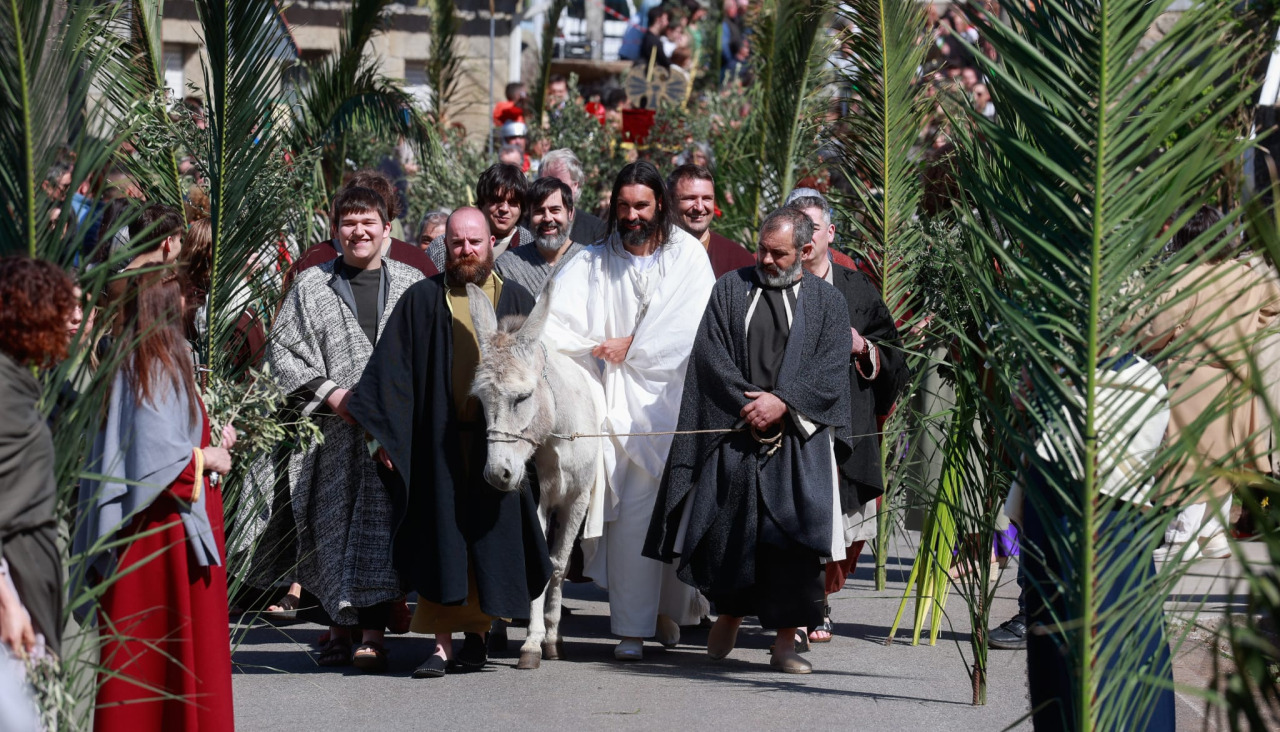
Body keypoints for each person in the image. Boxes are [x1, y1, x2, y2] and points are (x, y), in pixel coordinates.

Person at [645, 207, 854, 674]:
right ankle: (729, 615)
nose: (766, 259)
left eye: (778, 253)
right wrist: (751, 405)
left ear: (805, 251)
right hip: (737, 431)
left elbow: (829, 368)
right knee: (732, 531)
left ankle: (784, 643)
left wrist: (783, 403)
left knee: (794, 545)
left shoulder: (827, 303)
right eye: (761, 248)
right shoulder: (731, 288)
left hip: (800, 443)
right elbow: (709, 355)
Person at [349, 207, 551, 678]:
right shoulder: (422, 301)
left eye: (474, 242)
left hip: (495, 443)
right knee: (442, 541)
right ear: (446, 247)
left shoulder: (515, 299)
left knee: (489, 541)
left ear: (489, 244)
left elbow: (535, 377)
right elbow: (392, 375)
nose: (466, 251)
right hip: (436, 444)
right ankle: (442, 646)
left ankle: (478, 638)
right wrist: (385, 437)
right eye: (456, 243)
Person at [542, 161, 714, 661]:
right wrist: (604, 349)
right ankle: (631, 630)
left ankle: (669, 613)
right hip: (614, 407)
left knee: (677, 511)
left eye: (641, 205)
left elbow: (693, 330)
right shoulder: (592, 262)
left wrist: (633, 345)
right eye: (623, 206)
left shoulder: (686, 259)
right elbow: (555, 326)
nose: (632, 215)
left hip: (674, 403)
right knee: (633, 517)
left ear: (660, 203)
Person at [261, 187, 424, 672]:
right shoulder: (311, 286)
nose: (359, 231)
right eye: (349, 223)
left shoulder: (413, 285)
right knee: (328, 526)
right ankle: (336, 628)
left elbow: (427, 352)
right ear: (336, 230)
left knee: (379, 530)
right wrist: (336, 395)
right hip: (329, 433)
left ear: (387, 228)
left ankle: (371, 632)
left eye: (368, 222)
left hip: (391, 435)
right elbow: (283, 353)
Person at [73, 265, 235, 732]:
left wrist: (208, 435)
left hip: (145, 532)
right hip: (163, 534)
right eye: (187, 295)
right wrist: (209, 457)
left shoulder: (134, 354)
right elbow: (157, 454)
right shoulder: (157, 356)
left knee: (142, 666)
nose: (194, 303)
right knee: (172, 657)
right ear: (167, 303)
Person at [786, 190, 908, 643]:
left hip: (844, 431)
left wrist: (863, 347)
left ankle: (816, 603)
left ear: (830, 233)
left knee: (838, 525)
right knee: (793, 520)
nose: (803, 235)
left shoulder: (855, 288)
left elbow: (894, 357)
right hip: (788, 428)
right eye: (794, 225)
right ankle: (797, 610)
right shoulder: (774, 281)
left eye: (812, 227)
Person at [1142, 207, 1280, 560]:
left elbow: (1155, 331)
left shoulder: (1186, 277)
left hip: (1194, 378)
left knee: (1188, 458)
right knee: (1222, 458)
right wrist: (1252, 328)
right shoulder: (1245, 275)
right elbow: (1274, 304)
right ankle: (1213, 532)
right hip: (1235, 378)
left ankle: (1180, 537)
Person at [0, 256, 79, 663]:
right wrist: (8, 602)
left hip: (29, 576)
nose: (75, 320)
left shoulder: (20, 382)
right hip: (13, 589)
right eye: (64, 310)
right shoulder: (4, 392)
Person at [285, 170, 438, 289]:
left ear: (386, 224)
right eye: (351, 220)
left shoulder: (417, 264)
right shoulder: (313, 261)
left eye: (369, 221)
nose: (359, 231)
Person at [428, 163, 534, 271]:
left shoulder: (533, 248)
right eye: (496, 201)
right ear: (482, 202)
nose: (504, 209)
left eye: (513, 202)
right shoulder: (442, 248)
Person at [495, 177, 585, 294]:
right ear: (529, 216)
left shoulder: (588, 261)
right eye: (539, 211)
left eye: (555, 210)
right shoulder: (507, 267)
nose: (547, 218)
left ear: (570, 213)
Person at [667, 164, 754, 277]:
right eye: (690, 198)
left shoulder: (739, 261)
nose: (699, 207)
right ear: (670, 201)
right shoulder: (650, 254)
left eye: (707, 198)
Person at [540, 149, 608, 244]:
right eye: (545, 184)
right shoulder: (526, 227)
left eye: (558, 185)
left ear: (575, 185)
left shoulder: (596, 230)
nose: (550, 192)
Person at [637, 5, 673, 70]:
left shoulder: (648, 37)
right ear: (658, 20)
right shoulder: (653, 41)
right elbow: (664, 62)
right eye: (666, 20)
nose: (667, 23)